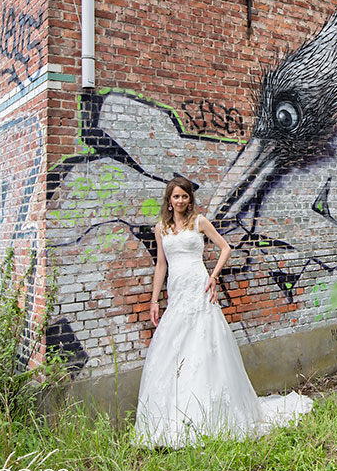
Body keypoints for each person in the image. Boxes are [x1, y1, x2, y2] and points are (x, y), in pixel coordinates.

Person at [132, 175, 313, 448]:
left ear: (189, 199)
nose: (181, 200)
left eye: (185, 196)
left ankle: (213, 417)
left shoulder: (199, 221)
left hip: (200, 288)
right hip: (178, 292)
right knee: (175, 350)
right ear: (169, 201)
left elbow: (226, 248)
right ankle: (173, 418)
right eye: (176, 196)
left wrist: (213, 276)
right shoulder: (161, 229)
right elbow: (161, 265)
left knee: (205, 347)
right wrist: (155, 300)